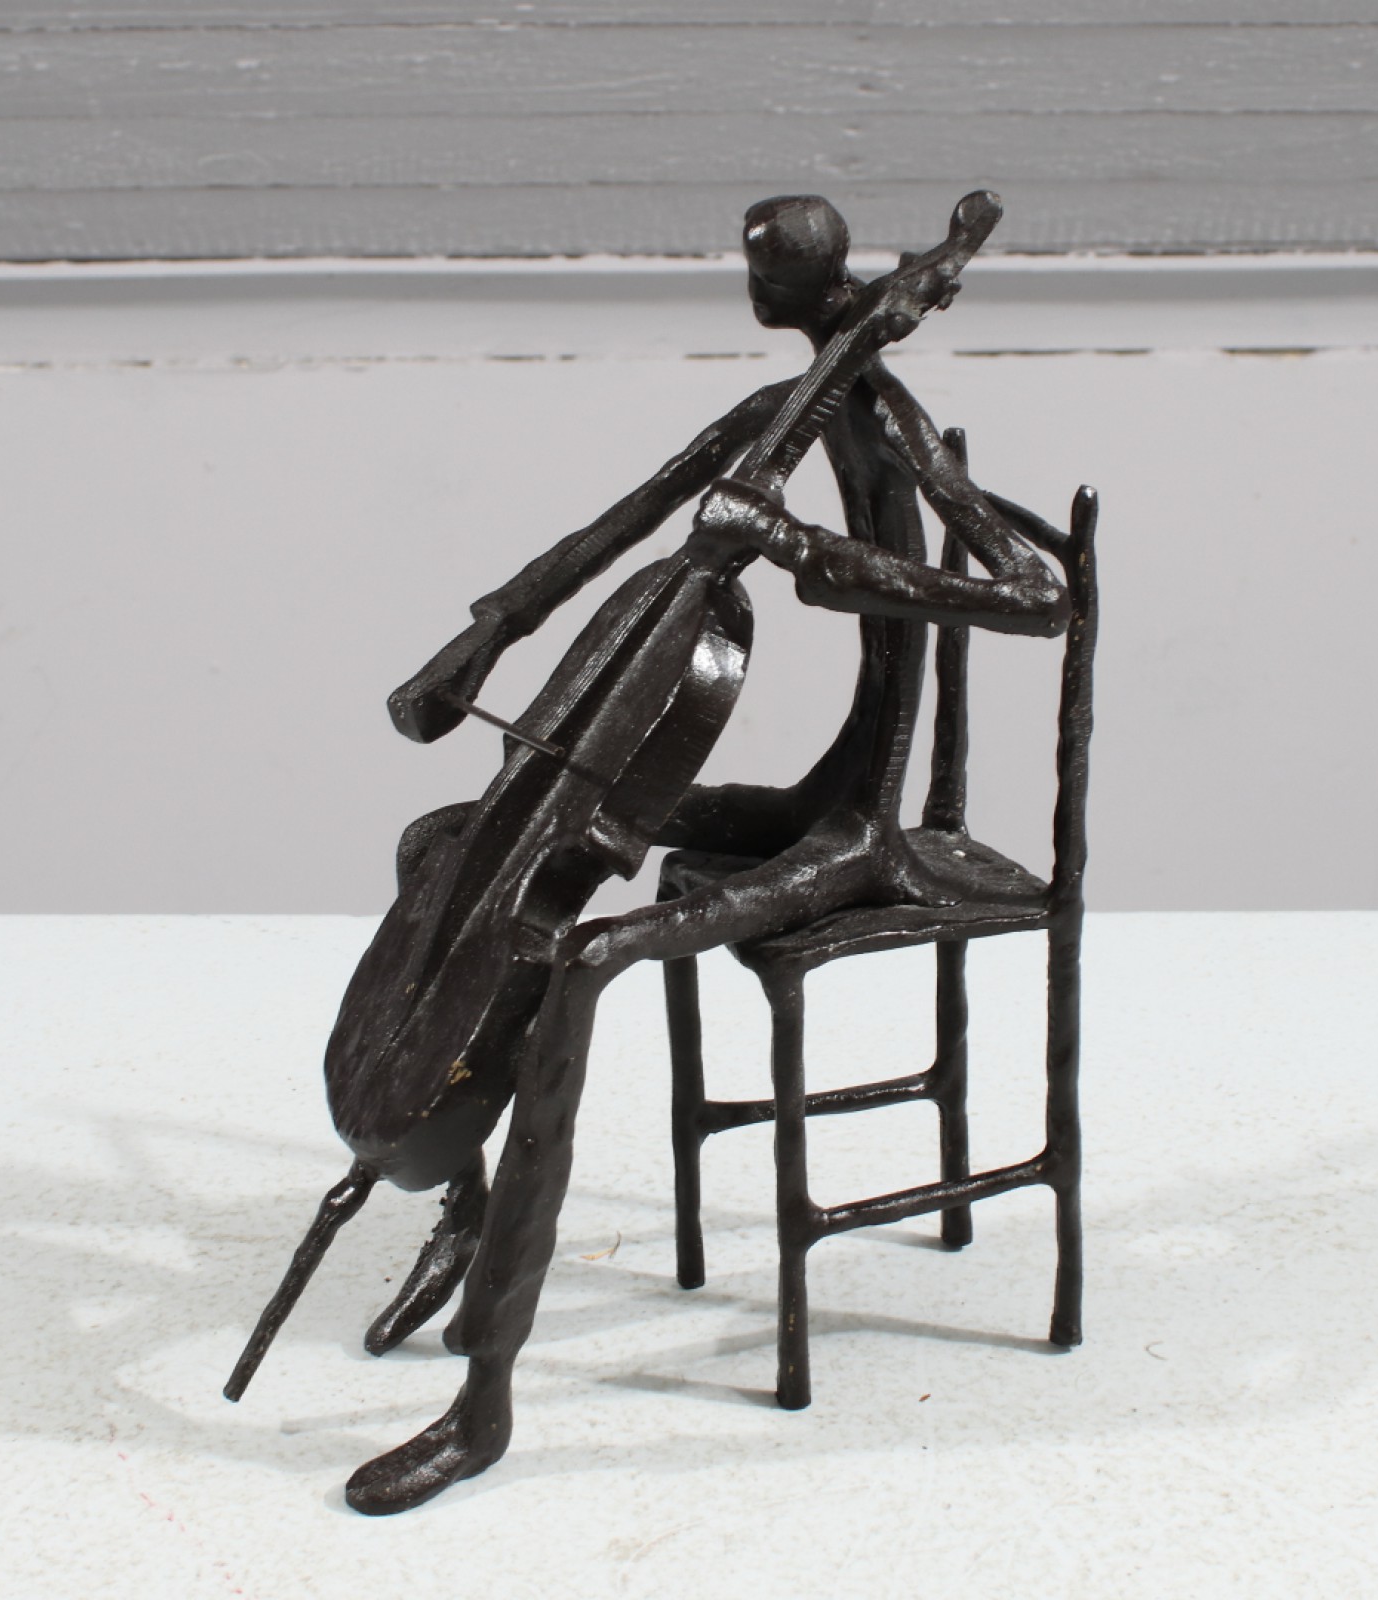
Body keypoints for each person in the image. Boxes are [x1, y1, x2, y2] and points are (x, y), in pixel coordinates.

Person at [344, 195, 1070, 1512]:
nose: (750, 281)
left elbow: (1038, 597)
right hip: (800, 801)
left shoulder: (895, 429)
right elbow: (616, 530)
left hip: (860, 830)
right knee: (445, 842)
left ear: (807, 277)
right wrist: (482, 643)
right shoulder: (772, 413)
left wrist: (798, 546)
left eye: (763, 265)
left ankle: (484, 1402)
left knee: (584, 957)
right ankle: (463, 1195)